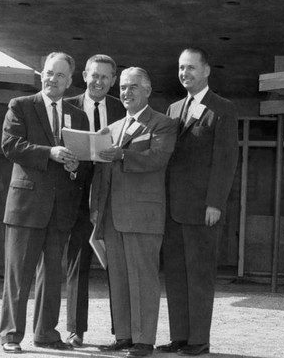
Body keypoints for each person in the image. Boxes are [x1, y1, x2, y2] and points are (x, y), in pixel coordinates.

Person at [0, 52, 90, 354]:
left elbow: (83, 161)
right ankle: (11, 335)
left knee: (52, 276)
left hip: (60, 208)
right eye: (49, 73)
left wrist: (74, 165)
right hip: (26, 206)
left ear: (70, 81)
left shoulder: (79, 116)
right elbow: (11, 145)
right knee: (19, 276)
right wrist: (50, 153)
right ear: (41, 74)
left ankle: (46, 334)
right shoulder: (21, 106)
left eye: (60, 75)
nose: (53, 79)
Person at [91, 67, 177, 357]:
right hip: (111, 216)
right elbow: (102, 172)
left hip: (143, 216)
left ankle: (143, 340)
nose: (126, 93)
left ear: (148, 91)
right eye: (123, 88)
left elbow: (158, 158)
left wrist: (124, 154)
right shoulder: (111, 129)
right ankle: (124, 336)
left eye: (133, 87)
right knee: (119, 278)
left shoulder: (163, 124)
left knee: (143, 277)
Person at [158, 47, 239, 356]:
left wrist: (215, 203)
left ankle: (198, 341)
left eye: (191, 67)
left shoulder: (223, 108)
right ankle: (179, 337)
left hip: (203, 210)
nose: (184, 73)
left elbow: (226, 160)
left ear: (206, 71)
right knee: (176, 275)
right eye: (181, 68)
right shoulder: (173, 108)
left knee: (200, 277)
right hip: (173, 209)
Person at [65, 54, 125, 347]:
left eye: (105, 77)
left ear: (113, 80)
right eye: (94, 75)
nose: (99, 81)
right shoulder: (67, 107)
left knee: (116, 262)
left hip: (111, 197)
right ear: (84, 76)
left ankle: (121, 332)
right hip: (76, 195)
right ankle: (76, 330)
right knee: (78, 262)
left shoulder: (121, 108)